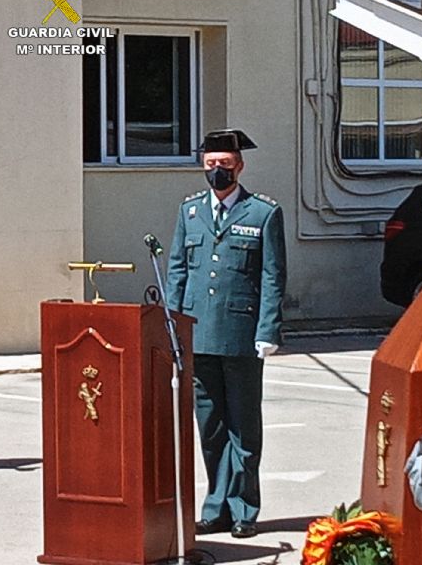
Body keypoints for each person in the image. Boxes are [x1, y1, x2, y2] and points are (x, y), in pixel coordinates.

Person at [166, 129, 286, 539]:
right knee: (211, 427)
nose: (217, 171)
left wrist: (268, 330)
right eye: (211, 164)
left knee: (243, 428)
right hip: (199, 335)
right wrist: (173, 324)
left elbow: (272, 276)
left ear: (240, 166)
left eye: (225, 165)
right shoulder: (191, 212)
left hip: (241, 335)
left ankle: (244, 509)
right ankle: (215, 506)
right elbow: (178, 270)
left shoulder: (262, 213)